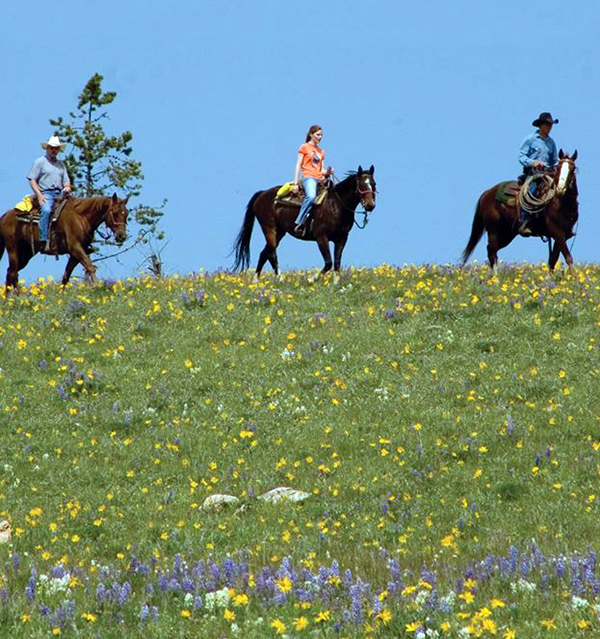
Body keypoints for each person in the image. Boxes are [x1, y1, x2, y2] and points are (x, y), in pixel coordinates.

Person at [27, 135, 71, 252]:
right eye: (51, 148)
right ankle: (43, 239)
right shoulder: (40, 162)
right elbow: (32, 180)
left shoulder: (61, 164)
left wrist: (67, 188)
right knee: (46, 210)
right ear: (47, 148)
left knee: (74, 212)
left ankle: (75, 239)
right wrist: (39, 195)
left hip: (60, 194)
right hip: (46, 192)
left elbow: (66, 182)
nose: (54, 150)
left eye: (56, 148)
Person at [517, 112, 559, 235]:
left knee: (560, 192)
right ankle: (524, 220)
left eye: (551, 125)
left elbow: (554, 160)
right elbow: (521, 156)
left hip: (548, 174)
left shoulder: (551, 142)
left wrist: (556, 167)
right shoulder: (530, 139)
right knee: (532, 191)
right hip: (533, 173)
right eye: (547, 124)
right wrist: (532, 162)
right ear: (540, 125)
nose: (549, 127)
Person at [292, 125, 334, 235]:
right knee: (311, 196)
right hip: (308, 177)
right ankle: (299, 221)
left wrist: (328, 172)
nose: (320, 137)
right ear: (311, 135)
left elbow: (321, 170)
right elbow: (298, 165)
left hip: (320, 179)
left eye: (321, 135)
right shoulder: (304, 147)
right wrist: (295, 183)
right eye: (318, 135)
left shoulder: (321, 151)